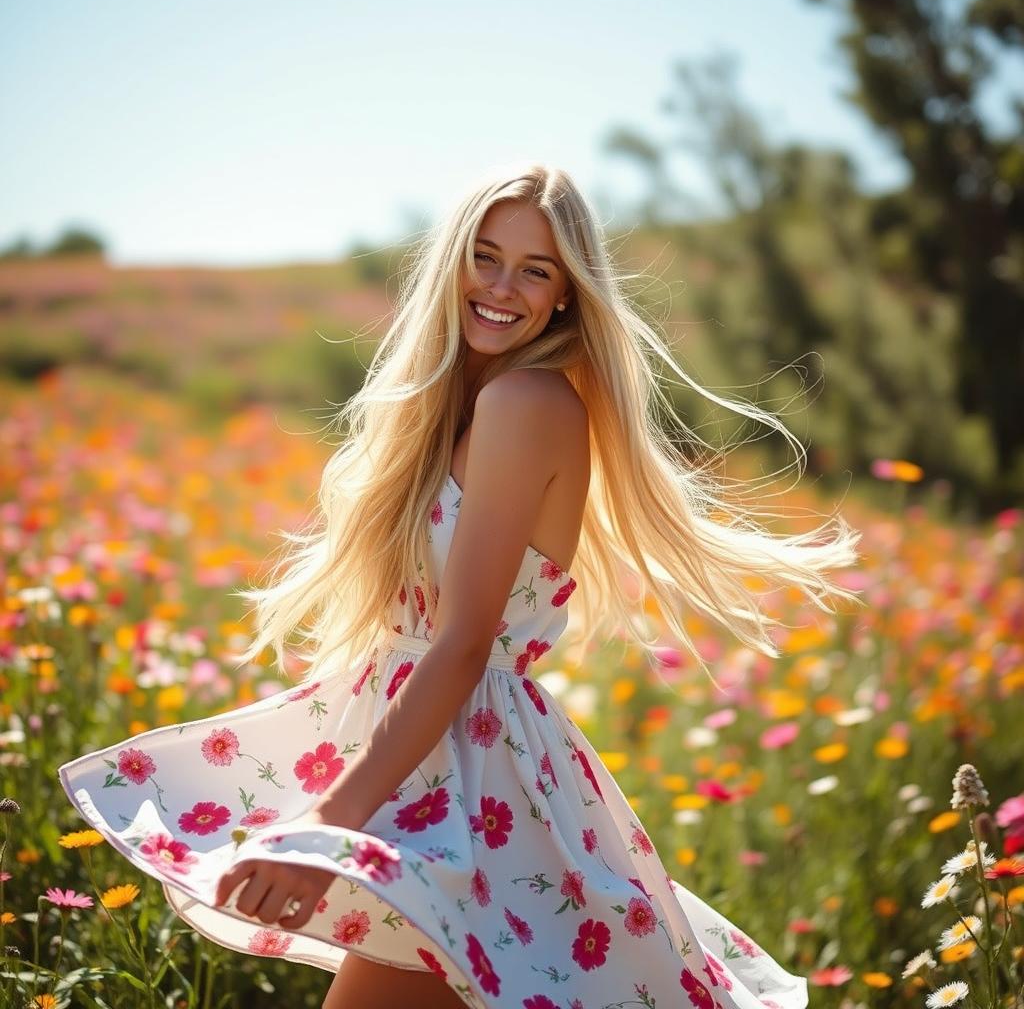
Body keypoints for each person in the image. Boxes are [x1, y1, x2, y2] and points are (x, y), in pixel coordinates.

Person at [59, 162, 862, 1008]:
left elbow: (464, 643)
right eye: (484, 256)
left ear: (566, 296)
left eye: (536, 269)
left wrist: (324, 826)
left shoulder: (527, 401)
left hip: (471, 788)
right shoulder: (458, 406)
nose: (502, 286)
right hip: (429, 764)